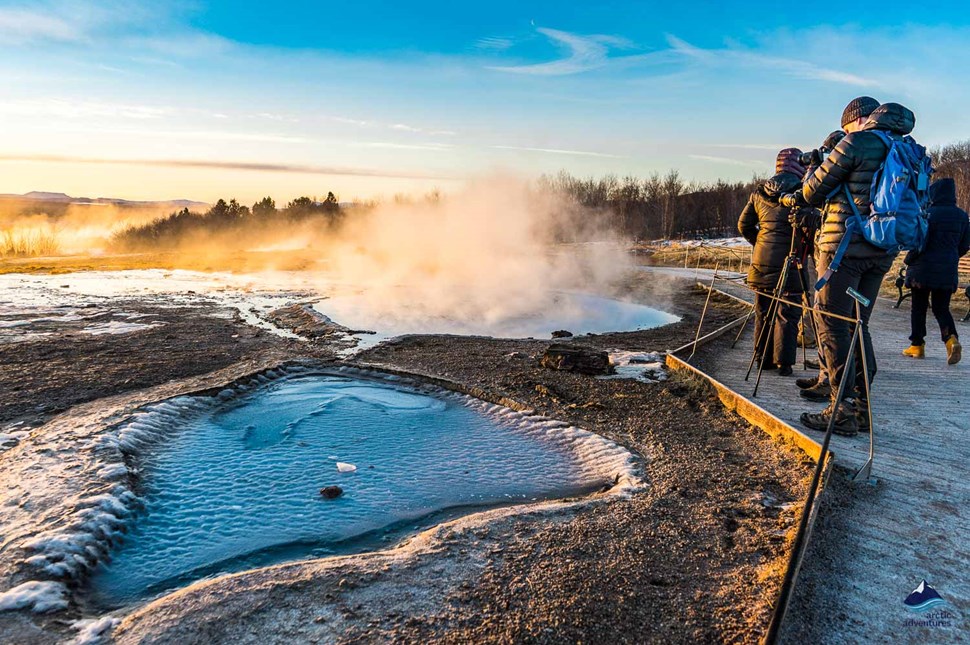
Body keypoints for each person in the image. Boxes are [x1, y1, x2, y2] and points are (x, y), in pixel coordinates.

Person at [797, 99, 918, 436]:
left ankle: (842, 408)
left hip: (844, 252)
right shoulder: (906, 147)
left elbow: (811, 192)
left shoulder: (856, 142)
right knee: (857, 323)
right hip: (882, 254)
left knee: (833, 323)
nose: (847, 130)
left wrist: (815, 163)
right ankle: (862, 407)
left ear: (860, 120)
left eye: (848, 124)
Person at [738, 148, 808, 376]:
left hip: (762, 262)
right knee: (788, 313)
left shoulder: (759, 192)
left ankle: (761, 359)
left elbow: (743, 225)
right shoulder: (804, 192)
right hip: (792, 260)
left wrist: (759, 243)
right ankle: (784, 364)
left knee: (763, 311)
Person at [901, 177, 970, 364]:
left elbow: (918, 243)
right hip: (947, 270)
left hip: (922, 270)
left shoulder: (927, 214)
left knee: (919, 307)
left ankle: (917, 345)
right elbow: (965, 245)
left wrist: (909, 259)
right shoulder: (963, 216)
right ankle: (951, 339)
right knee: (941, 307)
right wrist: (951, 256)